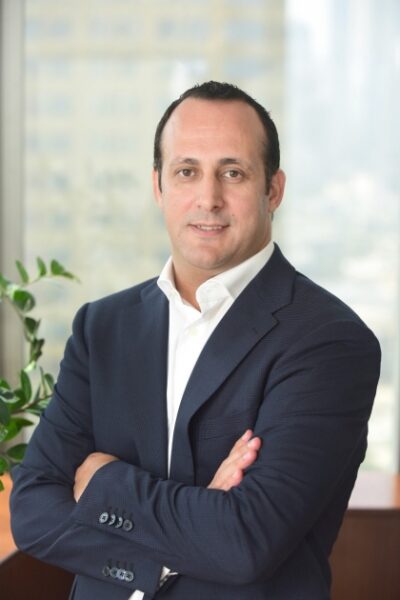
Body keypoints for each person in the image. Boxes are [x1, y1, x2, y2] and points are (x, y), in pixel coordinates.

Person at [10, 81, 381, 599]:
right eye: (187, 171)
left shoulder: (329, 342)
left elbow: (245, 541)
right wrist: (178, 542)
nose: (208, 198)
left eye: (232, 172)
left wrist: (103, 482)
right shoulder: (103, 327)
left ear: (273, 190)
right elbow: (33, 511)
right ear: (159, 186)